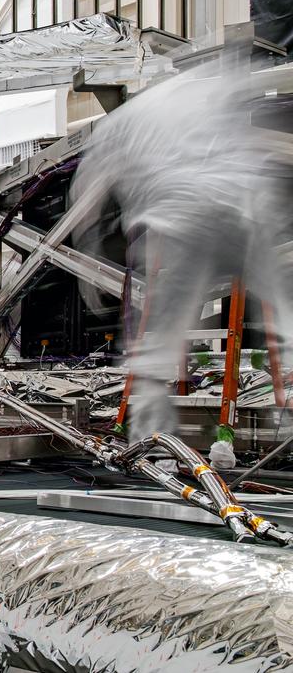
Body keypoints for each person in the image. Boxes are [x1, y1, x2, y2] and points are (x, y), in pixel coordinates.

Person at [71, 61, 293, 448]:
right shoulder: (198, 87)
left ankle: (152, 442)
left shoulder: (116, 126)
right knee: (284, 311)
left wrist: (88, 262)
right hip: (244, 205)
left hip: (178, 220)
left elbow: (86, 196)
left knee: (162, 334)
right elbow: (256, 123)